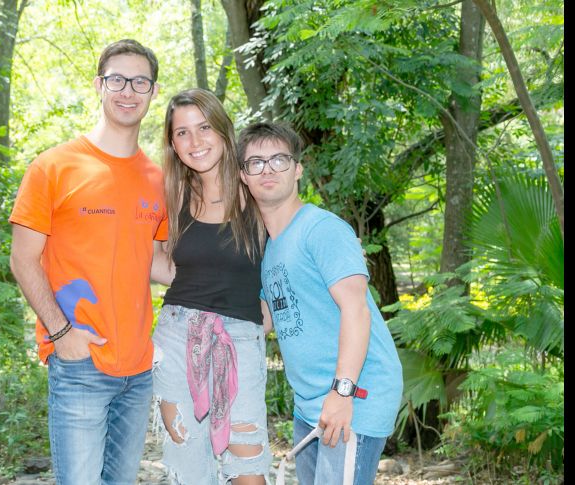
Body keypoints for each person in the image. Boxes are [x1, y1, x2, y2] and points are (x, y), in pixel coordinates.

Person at [8, 39, 167, 485]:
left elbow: (157, 263)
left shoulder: (158, 179)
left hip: (139, 368)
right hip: (80, 362)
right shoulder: (54, 167)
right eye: (117, 79)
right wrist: (61, 334)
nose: (128, 90)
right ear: (99, 85)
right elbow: (22, 259)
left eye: (140, 82)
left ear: (154, 92)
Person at [237, 122, 403, 485]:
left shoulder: (321, 229)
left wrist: (342, 393)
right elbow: (265, 318)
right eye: (256, 162)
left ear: (298, 169)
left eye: (279, 159)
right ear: (243, 176)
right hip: (309, 402)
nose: (268, 169)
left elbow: (356, 310)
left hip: (353, 394)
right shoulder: (269, 248)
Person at [150, 88, 273, 484]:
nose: (195, 141)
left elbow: (290, 252)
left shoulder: (255, 186)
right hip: (176, 337)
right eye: (182, 132)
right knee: (188, 469)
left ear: (223, 130)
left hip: (241, 337)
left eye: (204, 127)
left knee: (248, 470)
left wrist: (273, 304)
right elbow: (154, 260)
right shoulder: (172, 194)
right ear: (173, 143)